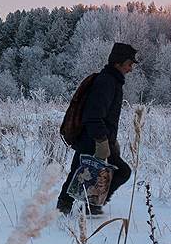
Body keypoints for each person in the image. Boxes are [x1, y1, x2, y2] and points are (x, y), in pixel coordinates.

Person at [57, 42, 137, 215]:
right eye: (129, 64)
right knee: (90, 172)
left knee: (80, 172)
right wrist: (102, 141)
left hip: (98, 138)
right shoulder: (107, 82)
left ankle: (85, 205)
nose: (131, 69)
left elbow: (103, 116)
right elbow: (93, 115)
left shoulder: (111, 81)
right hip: (93, 138)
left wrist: (111, 140)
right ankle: (73, 208)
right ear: (118, 63)